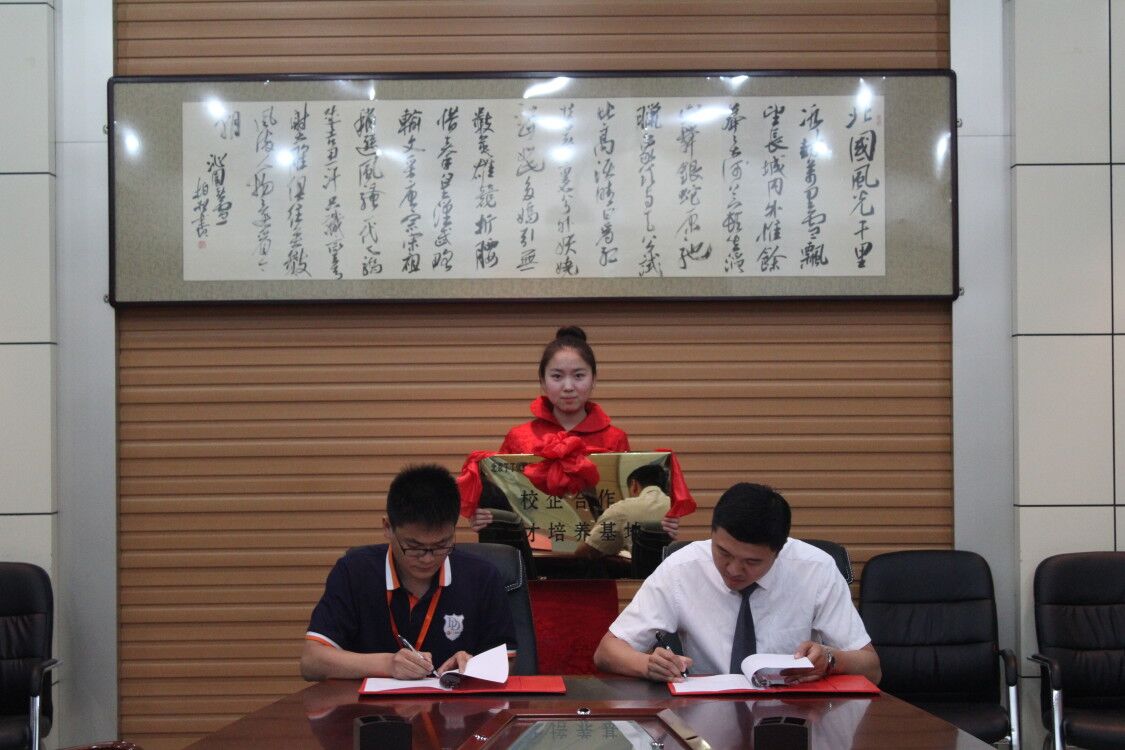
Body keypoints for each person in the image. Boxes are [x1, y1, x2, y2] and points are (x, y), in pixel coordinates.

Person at [593, 483, 881, 685]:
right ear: (712, 533)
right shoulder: (682, 568)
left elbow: (872, 668)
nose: (733, 570)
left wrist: (831, 659)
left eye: (751, 562)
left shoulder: (815, 569)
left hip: (794, 716)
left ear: (779, 550)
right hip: (705, 718)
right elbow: (607, 651)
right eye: (723, 553)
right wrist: (649, 666)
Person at [300, 464, 517, 680]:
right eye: (414, 547)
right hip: (370, 703)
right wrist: (388, 665)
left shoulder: (481, 577)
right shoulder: (354, 572)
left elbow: (507, 661)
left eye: (441, 545)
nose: (428, 558)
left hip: (452, 701)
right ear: (388, 527)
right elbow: (311, 662)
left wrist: (474, 664)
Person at [469, 325, 631, 531]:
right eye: (557, 376)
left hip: (599, 547)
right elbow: (503, 498)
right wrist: (483, 517)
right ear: (542, 381)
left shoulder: (614, 439)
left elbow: (628, 503)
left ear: (594, 380)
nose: (568, 387)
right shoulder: (519, 437)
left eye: (579, 376)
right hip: (533, 547)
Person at [575, 464, 671, 559]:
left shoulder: (623, 508)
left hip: (643, 569)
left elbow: (586, 551)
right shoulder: (675, 505)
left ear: (634, 485)